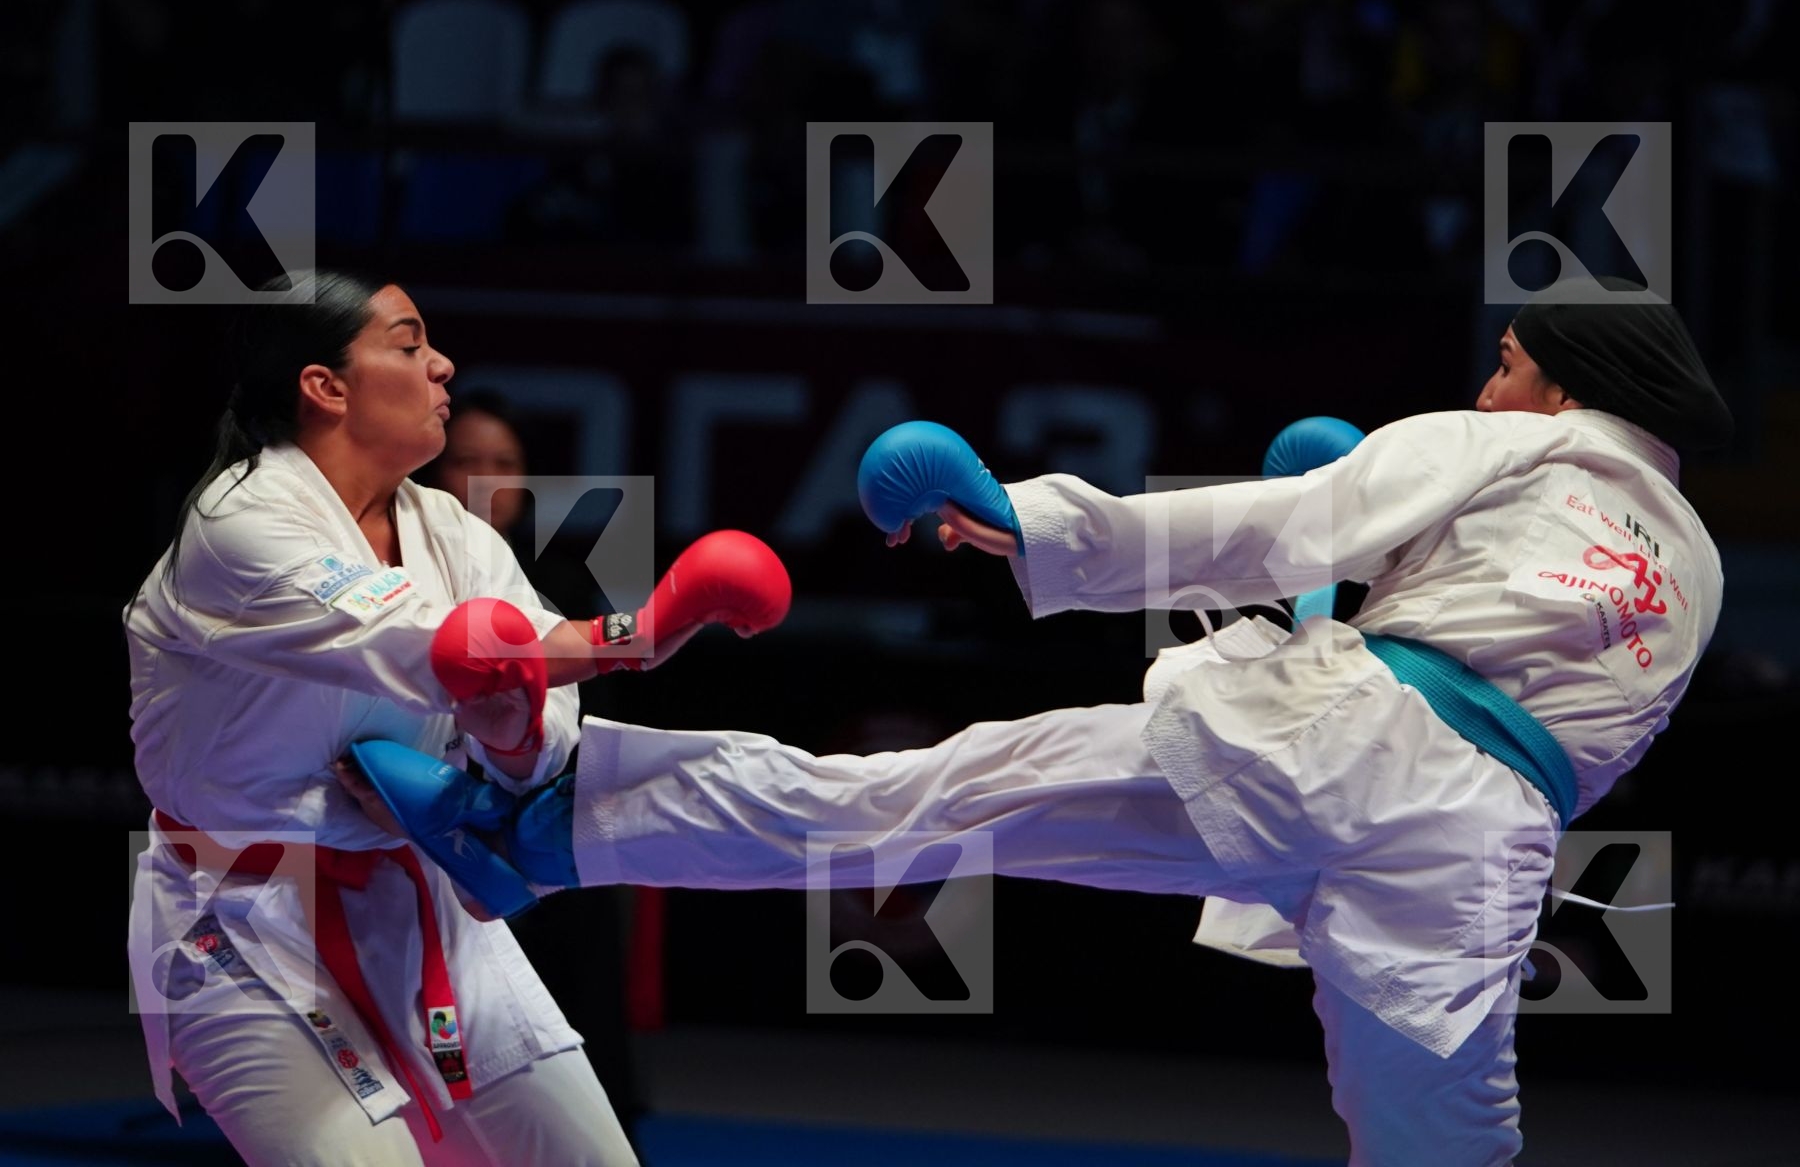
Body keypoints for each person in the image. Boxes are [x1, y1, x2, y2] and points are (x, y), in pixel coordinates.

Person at [349, 276, 1731, 1165]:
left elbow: (1293, 520)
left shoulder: (1517, 440)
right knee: (1448, 1149)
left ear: (1565, 386)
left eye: (1507, 363)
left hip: (1328, 755)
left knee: (914, 800)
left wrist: (1033, 526)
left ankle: (540, 828)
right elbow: (1538, 718)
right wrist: (1328, 621)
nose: (1489, 387)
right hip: (1474, 849)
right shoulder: (1700, 569)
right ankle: (542, 829)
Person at [123, 269, 789, 1167]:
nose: (441, 365)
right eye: (408, 345)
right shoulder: (240, 521)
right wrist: (640, 631)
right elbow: (432, 645)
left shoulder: (455, 533)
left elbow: (543, 732)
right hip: (242, 922)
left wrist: (514, 734)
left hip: (420, 904)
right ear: (325, 387)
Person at [418, 387, 648, 1149]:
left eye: (505, 463)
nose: (487, 479)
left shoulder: (568, 589)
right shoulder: (403, 576)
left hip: (550, 830)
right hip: (440, 832)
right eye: (468, 461)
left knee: (576, 1000)